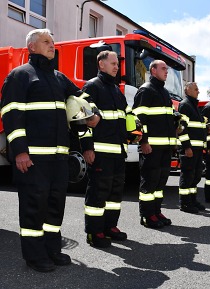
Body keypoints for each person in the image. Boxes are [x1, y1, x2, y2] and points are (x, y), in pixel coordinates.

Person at [0, 29, 99, 272]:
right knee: (34, 205)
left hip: (59, 156)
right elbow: (11, 115)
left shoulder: (59, 78)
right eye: (46, 42)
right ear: (31, 47)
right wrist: (20, 151)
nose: (51, 45)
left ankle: (52, 249)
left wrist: (93, 115)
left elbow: (82, 99)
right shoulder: (20, 75)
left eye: (53, 42)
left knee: (55, 204)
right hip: (33, 156)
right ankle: (34, 256)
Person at [81, 51, 135, 247]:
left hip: (118, 152)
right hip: (100, 152)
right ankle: (94, 232)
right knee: (98, 192)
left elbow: (127, 117)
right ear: (101, 64)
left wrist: (134, 130)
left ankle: (109, 227)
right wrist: (87, 148)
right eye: (112, 63)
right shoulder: (92, 86)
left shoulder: (116, 90)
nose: (116, 67)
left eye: (117, 64)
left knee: (114, 193)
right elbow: (83, 121)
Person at [133, 60, 176, 228]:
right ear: (153, 70)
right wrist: (143, 141)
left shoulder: (164, 92)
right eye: (164, 68)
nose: (167, 71)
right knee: (149, 181)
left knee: (160, 182)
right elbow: (138, 119)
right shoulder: (146, 90)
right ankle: (147, 215)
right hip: (151, 146)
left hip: (165, 147)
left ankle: (156, 211)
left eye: (167, 68)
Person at [177, 82, 207, 213]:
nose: (198, 91)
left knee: (195, 176)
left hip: (197, 148)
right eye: (196, 89)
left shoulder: (194, 106)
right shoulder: (185, 105)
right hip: (189, 149)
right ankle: (185, 203)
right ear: (187, 90)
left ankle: (192, 200)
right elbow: (181, 129)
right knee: (187, 176)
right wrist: (186, 147)